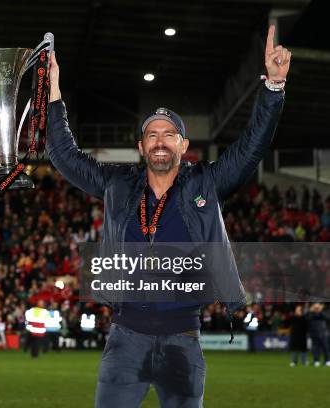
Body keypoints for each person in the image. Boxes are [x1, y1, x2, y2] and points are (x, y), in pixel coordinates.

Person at [47, 25, 290, 407]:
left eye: (169, 134)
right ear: (142, 146)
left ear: (184, 144)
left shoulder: (207, 183)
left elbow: (250, 149)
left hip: (183, 342)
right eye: (152, 135)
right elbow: (65, 157)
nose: (160, 141)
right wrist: (53, 94)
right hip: (126, 339)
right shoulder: (118, 185)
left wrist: (273, 89)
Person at [308, 303, 330, 367]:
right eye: (315, 307)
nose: (317, 309)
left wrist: (320, 310)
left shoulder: (323, 313)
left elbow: (327, 318)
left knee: (326, 349)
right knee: (315, 349)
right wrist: (311, 310)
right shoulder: (311, 314)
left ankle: (327, 361)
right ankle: (316, 361)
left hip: (323, 334)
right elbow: (307, 317)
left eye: (318, 307)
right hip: (314, 335)